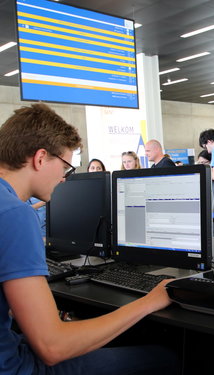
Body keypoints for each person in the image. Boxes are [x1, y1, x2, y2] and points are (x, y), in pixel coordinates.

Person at [0, 103, 176, 374]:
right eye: (66, 167)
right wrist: (150, 301)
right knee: (166, 357)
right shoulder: (15, 214)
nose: (64, 179)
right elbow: (52, 347)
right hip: (15, 367)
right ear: (40, 158)